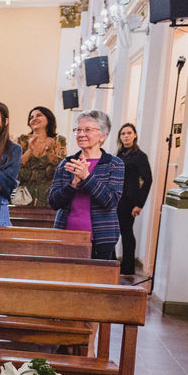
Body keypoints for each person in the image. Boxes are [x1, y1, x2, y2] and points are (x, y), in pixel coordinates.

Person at [48, 110, 124, 261]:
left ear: (103, 135)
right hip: (66, 234)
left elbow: (110, 201)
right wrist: (73, 184)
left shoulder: (114, 164)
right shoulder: (67, 163)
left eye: (87, 130)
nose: (81, 134)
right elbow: (54, 202)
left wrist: (86, 177)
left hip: (101, 238)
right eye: (78, 130)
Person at [115, 123, 152, 276]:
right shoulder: (119, 154)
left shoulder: (140, 156)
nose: (126, 136)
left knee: (126, 232)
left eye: (129, 133)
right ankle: (112, 263)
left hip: (130, 200)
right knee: (113, 231)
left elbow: (148, 180)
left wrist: (139, 204)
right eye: (123, 133)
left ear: (135, 135)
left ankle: (128, 267)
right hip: (116, 198)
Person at [15, 106, 67, 208]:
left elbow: (60, 169)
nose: (34, 119)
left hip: (48, 194)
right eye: (31, 117)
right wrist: (29, 150)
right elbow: (15, 166)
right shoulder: (23, 140)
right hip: (24, 196)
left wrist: (50, 152)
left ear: (49, 118)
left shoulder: (58, 141)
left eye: (38, 115)